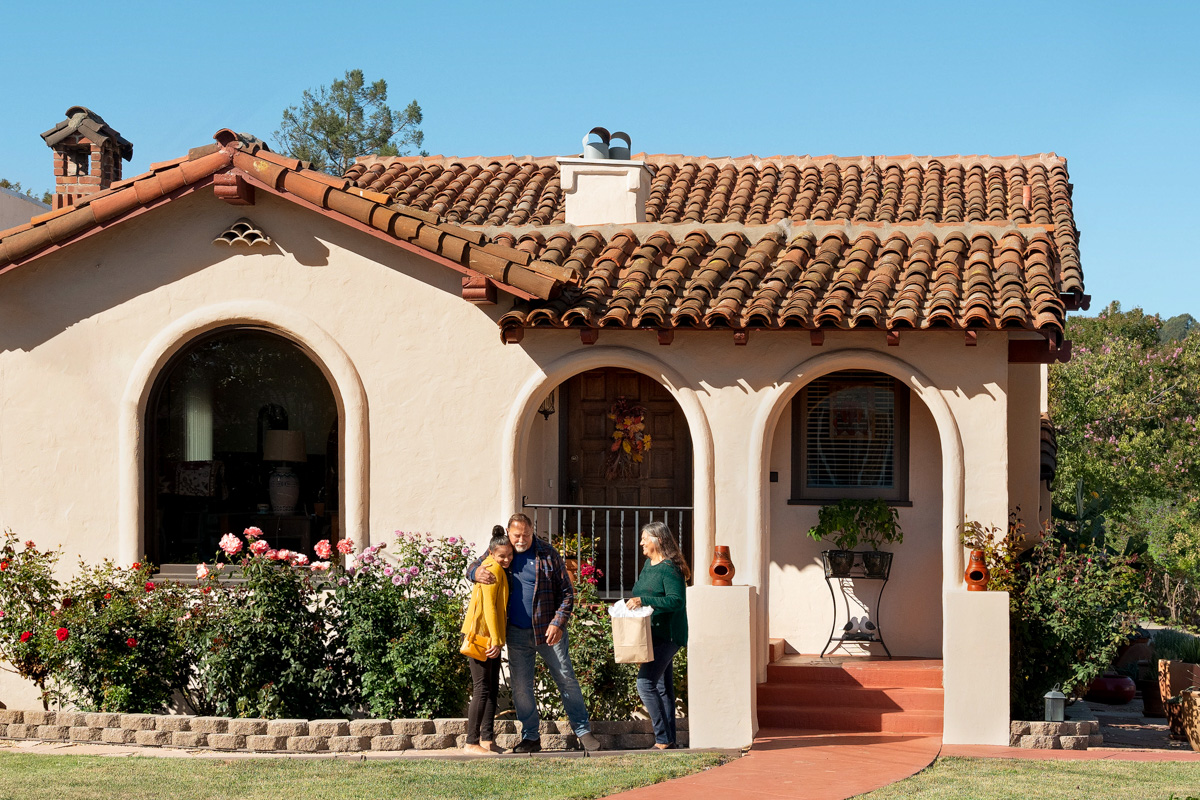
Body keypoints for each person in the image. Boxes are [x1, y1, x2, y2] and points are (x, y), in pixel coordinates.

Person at [468, 513, 602, 753]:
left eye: (526, 535)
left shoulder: (547, 554)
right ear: (508, 533)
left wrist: (558, 623)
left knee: (566, 679)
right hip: (517, 634)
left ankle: (583, 731)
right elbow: (475, 566)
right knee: (521, 687)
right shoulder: (502, 552)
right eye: (516, 535)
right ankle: (531, 737)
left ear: (532, 532)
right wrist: (474, 574)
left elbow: (568, 593)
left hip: (549, 632)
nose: (521, 540)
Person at [625, 520, 689, 750]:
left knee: (644, 683)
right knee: (662, 688)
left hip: (669, 635)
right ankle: (669, 740)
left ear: (658, 540)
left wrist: (644, 600)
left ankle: (662, 739)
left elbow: (676, 600)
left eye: (645, 538)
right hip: (650, 634)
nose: (641, 542)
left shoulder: (670, 568)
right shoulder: (648, 565)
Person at [460, 526, 512, 756]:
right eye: (502, 555)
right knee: (482, 688)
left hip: (490, 637)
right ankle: (471, 742)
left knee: (491, 689)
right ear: (491, 553)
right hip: (483, 636)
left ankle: (487, 740)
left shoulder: (497, 567)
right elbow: (490, 609)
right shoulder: (491, 568)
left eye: (509, 555)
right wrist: (497, 640)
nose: (507, 559)